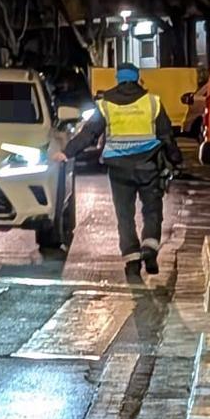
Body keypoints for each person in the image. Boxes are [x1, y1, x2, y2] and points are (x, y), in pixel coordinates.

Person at [56, 63, 182, 279]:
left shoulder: (105, 105)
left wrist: (67, 152)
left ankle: (132, 262)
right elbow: (166, 136)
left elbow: (89, 134)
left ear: (118, 79)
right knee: (152, 210)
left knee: (125, 216)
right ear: (137, 79)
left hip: (119, 170)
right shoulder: (153, 102)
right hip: (148, 166)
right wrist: (176, 160)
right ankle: (149, 248)